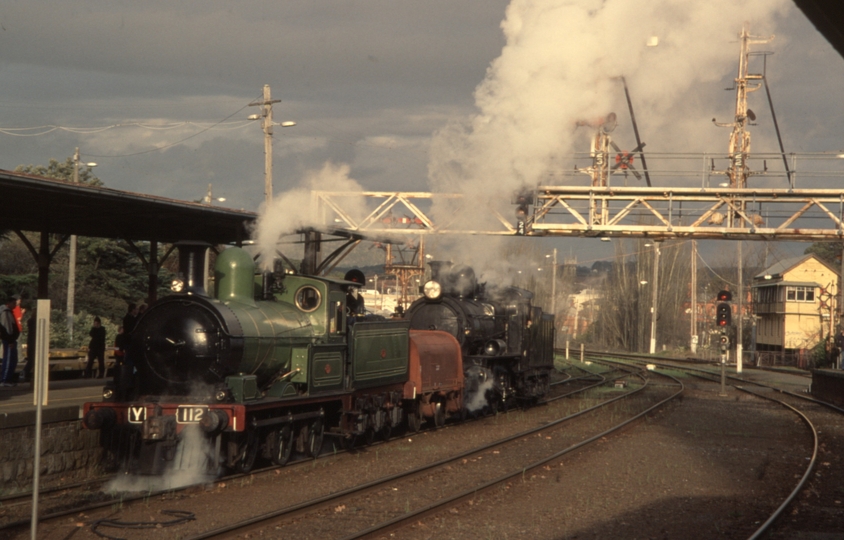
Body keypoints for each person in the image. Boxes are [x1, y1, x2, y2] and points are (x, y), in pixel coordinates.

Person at [0, 297, 21, 387]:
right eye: (13, 303)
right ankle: (4, 379)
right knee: (8, 359)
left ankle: (8, 378)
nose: (15, 305)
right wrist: (10, 340)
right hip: (9, 340)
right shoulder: (5, 312)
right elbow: (6, 328)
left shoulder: (9, 312)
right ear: (8, 303)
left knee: (13, 359)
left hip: (11, 339)